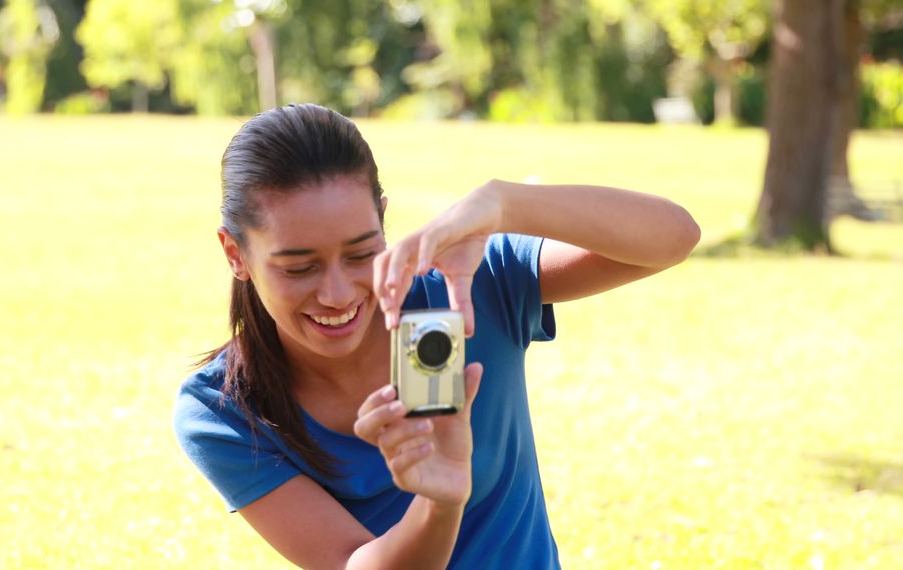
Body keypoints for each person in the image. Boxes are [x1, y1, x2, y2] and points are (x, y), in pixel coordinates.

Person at [174, 103, 700, 569]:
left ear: (383, 217)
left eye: (361, 254)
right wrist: (439, 503)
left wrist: (503, 204)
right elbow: (353, 564)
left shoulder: (462, 288)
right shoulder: (222, 407)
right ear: (235, 254)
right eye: (299, 267)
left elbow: (674, 237)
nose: (337, 293)